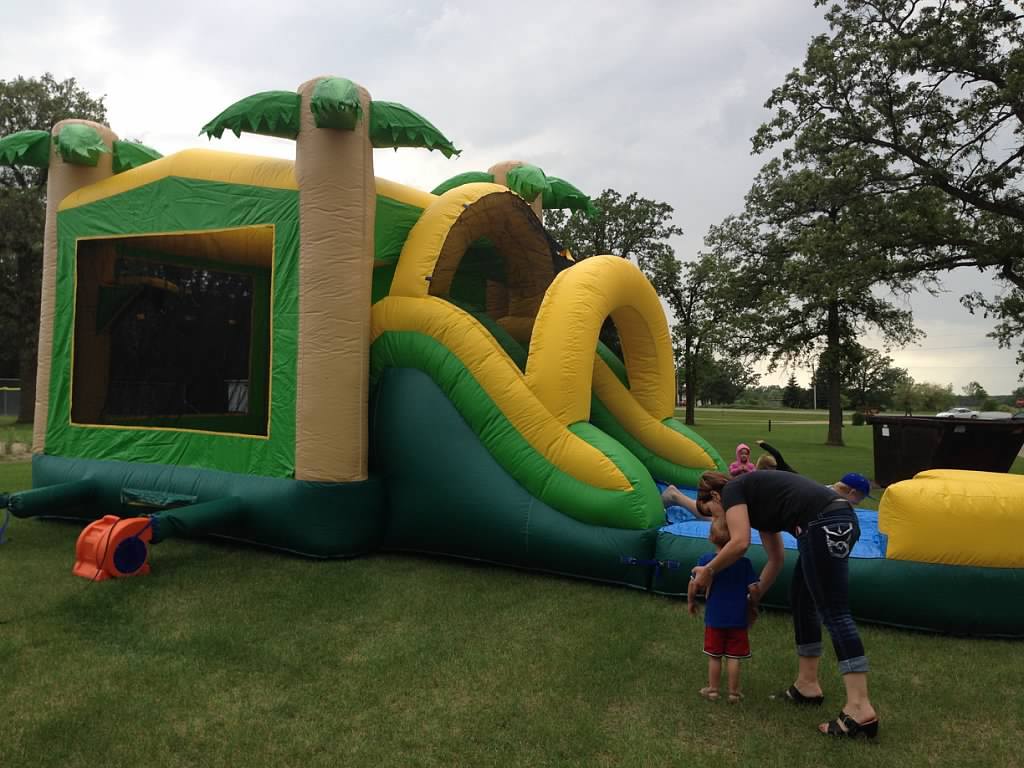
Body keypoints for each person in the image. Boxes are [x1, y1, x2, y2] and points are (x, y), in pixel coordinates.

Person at [690, 470, 880, 739]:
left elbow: (740, 543)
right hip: (831, 520)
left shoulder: (733, 490)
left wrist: (709, 570)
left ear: (715, 496)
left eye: (713, 512)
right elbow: (776, 559)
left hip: (824, 523)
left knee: (835, 612)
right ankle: (807, 685)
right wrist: (751, 600)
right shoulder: (758, 502)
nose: (717, 519)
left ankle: (860, 708)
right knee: (802, 600)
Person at [688, 515, 760, 703]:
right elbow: (754, 588)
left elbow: (693, 584)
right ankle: (734, 693)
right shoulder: (744, 564)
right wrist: (753, 604)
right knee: (734, 657)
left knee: (715, 656)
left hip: (715, 617)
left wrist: (691, 601)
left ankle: (713, 690)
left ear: (711, 538)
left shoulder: (706, 560)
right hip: (738, 618)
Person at [755, 440, 873, 505]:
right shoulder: (764, 477)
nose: (860, 502)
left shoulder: (781, 466)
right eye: (861, 497)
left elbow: (776, 454)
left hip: (800, 484)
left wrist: (763, 444)